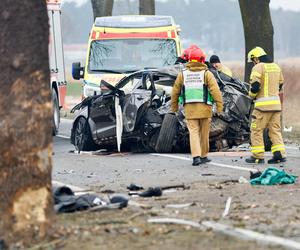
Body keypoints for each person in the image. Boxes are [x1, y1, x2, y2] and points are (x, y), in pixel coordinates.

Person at [171, 47, 223, 166]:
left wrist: (174, 107)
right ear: (202, 59)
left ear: (189, 59)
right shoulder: (206, 74)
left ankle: (196, 157)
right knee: (204, 133)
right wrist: (219, 106)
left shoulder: (183, 74)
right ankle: (204, 156)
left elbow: (175, 91)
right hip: (205, 109)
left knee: (193, 132)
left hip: (190, 109)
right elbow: (215, 91)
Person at [245, 46, 286, 164]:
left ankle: (258, 156)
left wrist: (251, 96)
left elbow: (255, 86)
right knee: (275, 130)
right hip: (276, 106)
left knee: (256, 130)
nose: (253, 63)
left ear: (256, 58)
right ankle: (279, 155)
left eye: (253, 61)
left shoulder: (258, 67)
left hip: (262, 107)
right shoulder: (276, 67)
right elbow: (280, 85)